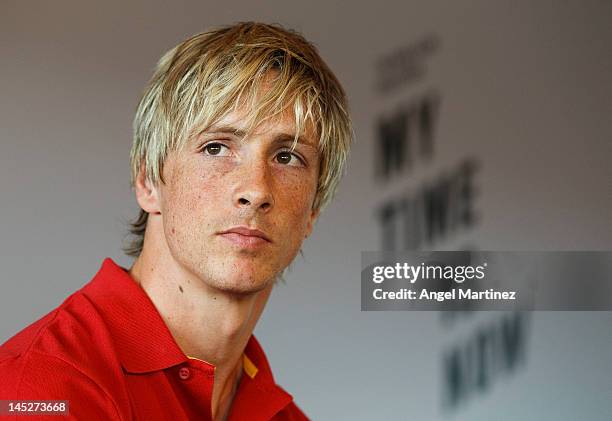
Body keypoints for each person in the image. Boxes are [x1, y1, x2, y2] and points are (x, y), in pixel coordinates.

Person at [0, 22, 352, 420]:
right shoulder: (43, 385)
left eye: (287, 157)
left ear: (313, 211)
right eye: (216, 147)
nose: (256, 190)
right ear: (148, 180)